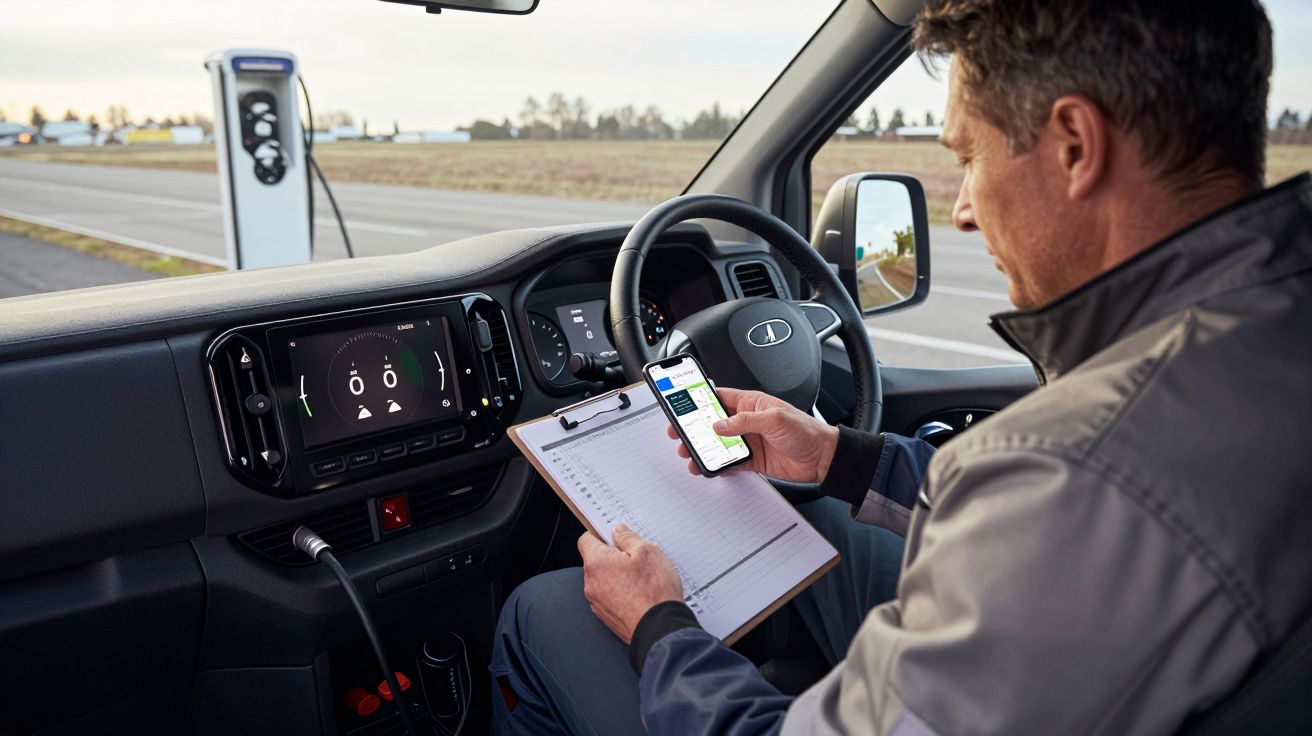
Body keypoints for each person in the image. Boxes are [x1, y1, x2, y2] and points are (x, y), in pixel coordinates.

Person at [491, 0, 1312, 733]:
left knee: (543, 612)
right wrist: (840, 457)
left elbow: (1068, 505)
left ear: (1073, 145)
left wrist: (661, 627)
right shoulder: (1268, 332)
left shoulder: (1073, 471)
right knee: (821, 515)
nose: (959, 209)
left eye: (968, 157)